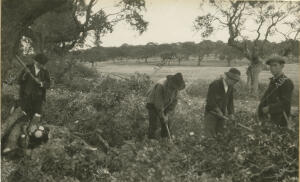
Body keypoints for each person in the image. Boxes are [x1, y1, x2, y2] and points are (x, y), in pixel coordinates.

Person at [3, 54, 51, 154]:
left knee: (34, 125)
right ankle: (10, 145)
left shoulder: (45, 72)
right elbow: (19, 81)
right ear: (35, 61)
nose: (41, 65)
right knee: (18, 122)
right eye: (39, 63)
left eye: (42, 64)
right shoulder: (27, 68)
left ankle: (27, 145)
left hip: (38, 102)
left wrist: (41, 83)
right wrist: (25, 76)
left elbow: (48, 84)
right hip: (25, 100)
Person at [146, 73, 185, 140]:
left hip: (166, 104)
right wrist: (162, 116)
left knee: (167, 123)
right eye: (174, 86)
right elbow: (158, 104)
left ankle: (165, 140)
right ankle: (151, 140)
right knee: (154, 123)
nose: (175, 89)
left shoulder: (176, 88)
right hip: (152, 103)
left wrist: (167, 114)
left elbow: (174, 102)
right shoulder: (160, 86)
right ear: (171, 82)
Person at [257, 55, 294, 127]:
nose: (272, 68)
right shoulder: (273, 81)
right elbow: (267, 97)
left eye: (275, 65)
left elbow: (285, 103)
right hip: (270, 119)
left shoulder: (286, 82)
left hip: (280, 121)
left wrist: (269, 108)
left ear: (282, 66)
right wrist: (260, 109)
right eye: (270, 66)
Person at [204, 68, 241, 138]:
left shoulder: (230, 87)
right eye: (234, 81)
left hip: (222, 114)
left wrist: (231, 114)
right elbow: (210, 101)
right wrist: (218, 111)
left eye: (236, 82)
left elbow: (230, 102)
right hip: (211, 113)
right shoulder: (215, 84)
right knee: (209, 135)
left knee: (220, 134)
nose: (234, 83)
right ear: (228, 78)